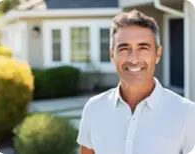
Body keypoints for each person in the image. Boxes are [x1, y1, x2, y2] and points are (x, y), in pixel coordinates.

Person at [76, 9, 195, 154]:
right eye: (124, 48)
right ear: (112, 55)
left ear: (157, 54)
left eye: (143, 48)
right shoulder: (93, 109)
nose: (133, 59)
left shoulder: (187, 114)